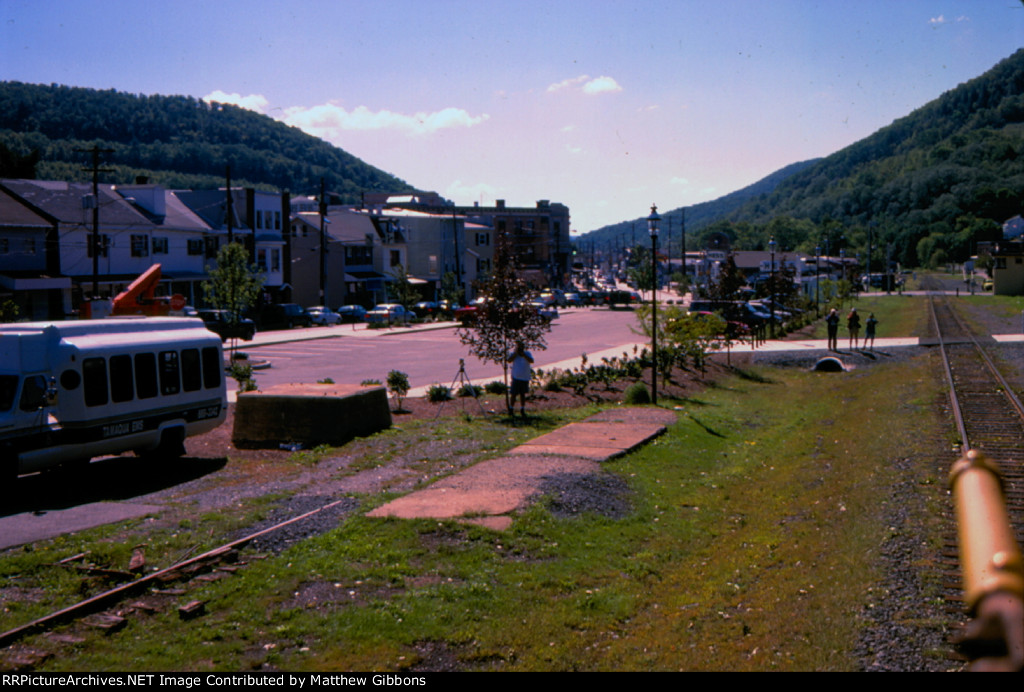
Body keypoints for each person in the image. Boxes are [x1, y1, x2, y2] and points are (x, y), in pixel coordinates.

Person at [508, 340, 534, 417]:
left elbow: (531, 360)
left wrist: (523, 355)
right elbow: (509, 360)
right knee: (513, 394)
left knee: (522, 394)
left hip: (525, 377)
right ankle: (511, 408)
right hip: (516, 377)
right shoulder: (514, 354)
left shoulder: (527, 353)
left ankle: (522, 408)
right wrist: (516, 353)